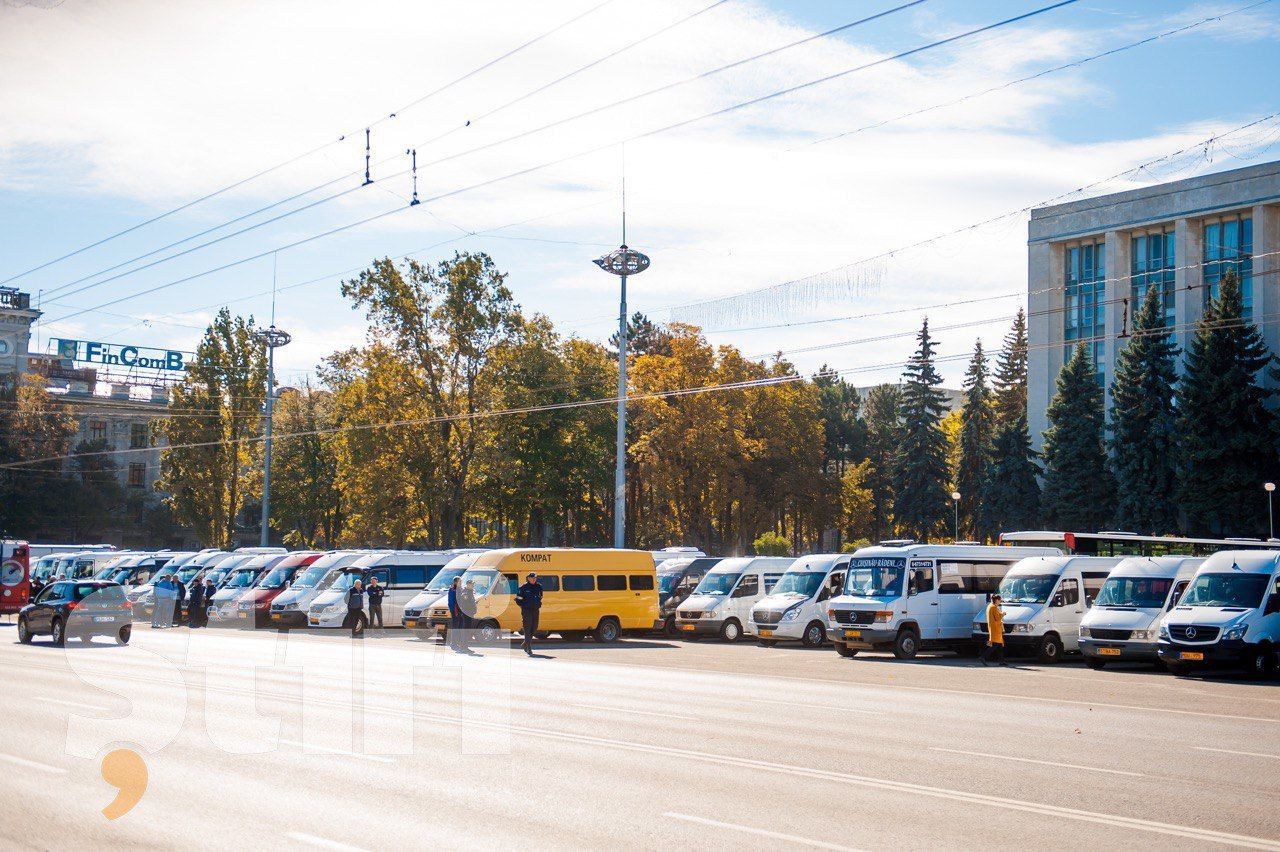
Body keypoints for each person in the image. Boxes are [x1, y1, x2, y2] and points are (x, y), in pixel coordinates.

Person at [515, 572, 543, 657]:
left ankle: (525, 643)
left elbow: (541, 596)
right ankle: (528, 647)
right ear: (528, 578)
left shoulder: (539, 586)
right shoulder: (523, 587)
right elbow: (518, 600)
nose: (534, 579)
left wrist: (538, 604)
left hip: (535, 610)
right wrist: (524, 606)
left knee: (534, 627)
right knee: (527, 628)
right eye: (532, 578)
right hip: (527, 611)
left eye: (535, 578)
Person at [982, 593, 1006, 666]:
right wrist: (1003, 614)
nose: (1000, 602)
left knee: (999, 646)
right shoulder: (994, 607)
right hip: (996, 629)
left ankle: (1001, 661)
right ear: (996, 600)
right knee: (995, 645)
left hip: (994, 628)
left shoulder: (990, 606)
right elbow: (997, 618)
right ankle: (983, 657)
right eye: (999, 600)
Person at [457, 579, 478, 653]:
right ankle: (463, 647)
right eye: (472, 584)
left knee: (467, 631)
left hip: (470, 614)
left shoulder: (470, 592)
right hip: (467, 614)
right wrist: (472, 606)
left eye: (473, 584)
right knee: (465, 631)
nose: (473, 585)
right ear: (468, 584)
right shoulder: (465, 592)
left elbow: (470, 602)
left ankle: (465, 647)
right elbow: (465, 604)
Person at [447, 577, 464, 651]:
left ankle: (458, 643)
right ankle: (453, 643)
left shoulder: (460, 589)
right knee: (455, 627)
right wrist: (454, 611)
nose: (461, 583)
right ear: (455, 582)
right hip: (455, 611)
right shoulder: (452, 590)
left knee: (460, 627)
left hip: (461, 611)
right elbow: (451, 602)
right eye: (460, 582)